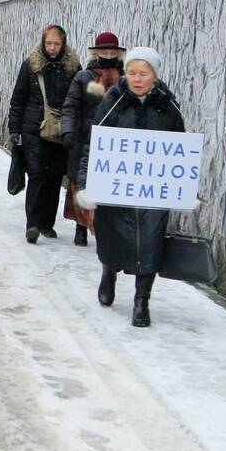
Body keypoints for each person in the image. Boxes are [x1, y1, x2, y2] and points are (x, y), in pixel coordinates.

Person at [75, 47, 185, 328]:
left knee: (150, 244)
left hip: (151, 192)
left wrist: (184, 188)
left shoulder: (168, 107)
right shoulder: (113, 101)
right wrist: (87, 184)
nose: (137, 79)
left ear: (155, 77)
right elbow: (94, 145)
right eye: (132, 73)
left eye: (144, 74)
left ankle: (141, 301)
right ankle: (108, 272)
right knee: (113, 236)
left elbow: (181, 152)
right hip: (116, 188)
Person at [8, 23, 81, 244]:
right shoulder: (31, 65)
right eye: (48, 43)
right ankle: (32, 224)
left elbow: (78, 100)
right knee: (37, 175)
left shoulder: (73, 68)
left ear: (63, 43)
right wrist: (14, 129)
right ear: (43, 42)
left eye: (56, 43)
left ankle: (47, 224)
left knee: (54, 177)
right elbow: (18, 99)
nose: (52, 47)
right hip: (33, 128)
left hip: (60, 130)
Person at [60, 31, 125, 247]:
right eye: (104, 51)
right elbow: (70, 106)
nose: (108, 54)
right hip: (84, 138)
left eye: (112, 51)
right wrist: (67, 131)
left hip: (115, 142)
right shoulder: (83, 77)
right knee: (81, 184)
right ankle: (80, 228)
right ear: (96, 53)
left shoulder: (125, 79)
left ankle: (104, 230)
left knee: (107, 186)